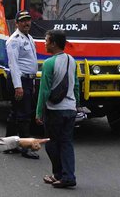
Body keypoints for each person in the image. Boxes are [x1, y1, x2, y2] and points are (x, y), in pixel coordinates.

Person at [35, 29, 79, 188]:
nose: (44, 43)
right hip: (70, 109)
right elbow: (76, 85)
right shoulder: (72, 60)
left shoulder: (49, 63)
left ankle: (58, 174)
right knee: (66, 143)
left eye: (46, 40)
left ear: (53, 44)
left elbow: (44, 90)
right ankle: (68, 176)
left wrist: (39, 111)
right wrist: (76, 105)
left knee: (52, 143)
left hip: (55, 110)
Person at [4, 10, 40, 159]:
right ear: (17, 23)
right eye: (23, 21)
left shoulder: (29, 37)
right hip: (18, 80)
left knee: (16, 113)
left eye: (28, 20)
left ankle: (9, 144)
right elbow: (14, 65)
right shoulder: (14, 40)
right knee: (24, 115)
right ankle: (26, 148)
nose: (27, 23)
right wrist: (18, 86)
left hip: (27, 80)